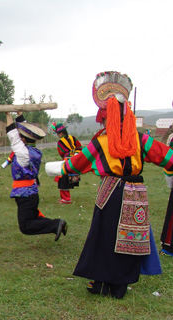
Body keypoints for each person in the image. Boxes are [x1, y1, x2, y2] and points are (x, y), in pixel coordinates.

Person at [46, 71, 173, 298]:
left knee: (105, 237)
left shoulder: (101, 142)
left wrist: (55, 167)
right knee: (130, 237)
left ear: (107, 116)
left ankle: (102, 283)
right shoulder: (141, 138)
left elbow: (77, 164)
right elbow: (167, 157)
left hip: (111, 191)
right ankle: (121, 285)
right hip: (136, 193)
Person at [5, 112, 67, 241]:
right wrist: (20, 115)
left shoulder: (23, 153)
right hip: (30, 193)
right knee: (33, 218)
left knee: (25, 226)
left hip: (25, 195)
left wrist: (7, 114)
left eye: (21, 136)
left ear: (23, 139)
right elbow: (26, 131)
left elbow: (12, 136)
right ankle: (58, 225)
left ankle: (56, 224)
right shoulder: (34, 151)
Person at [51, 122, 82, 204]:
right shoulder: (73, 138)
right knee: (68, 179)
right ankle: (66, 198)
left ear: (61, 133)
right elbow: (79, 147)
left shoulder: (60, 142)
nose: (58, 135)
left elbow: (61, 153)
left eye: (58, 133)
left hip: (66, 161)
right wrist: (75, 155)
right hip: (75, 160)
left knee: (62, 180)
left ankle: (66, 199)